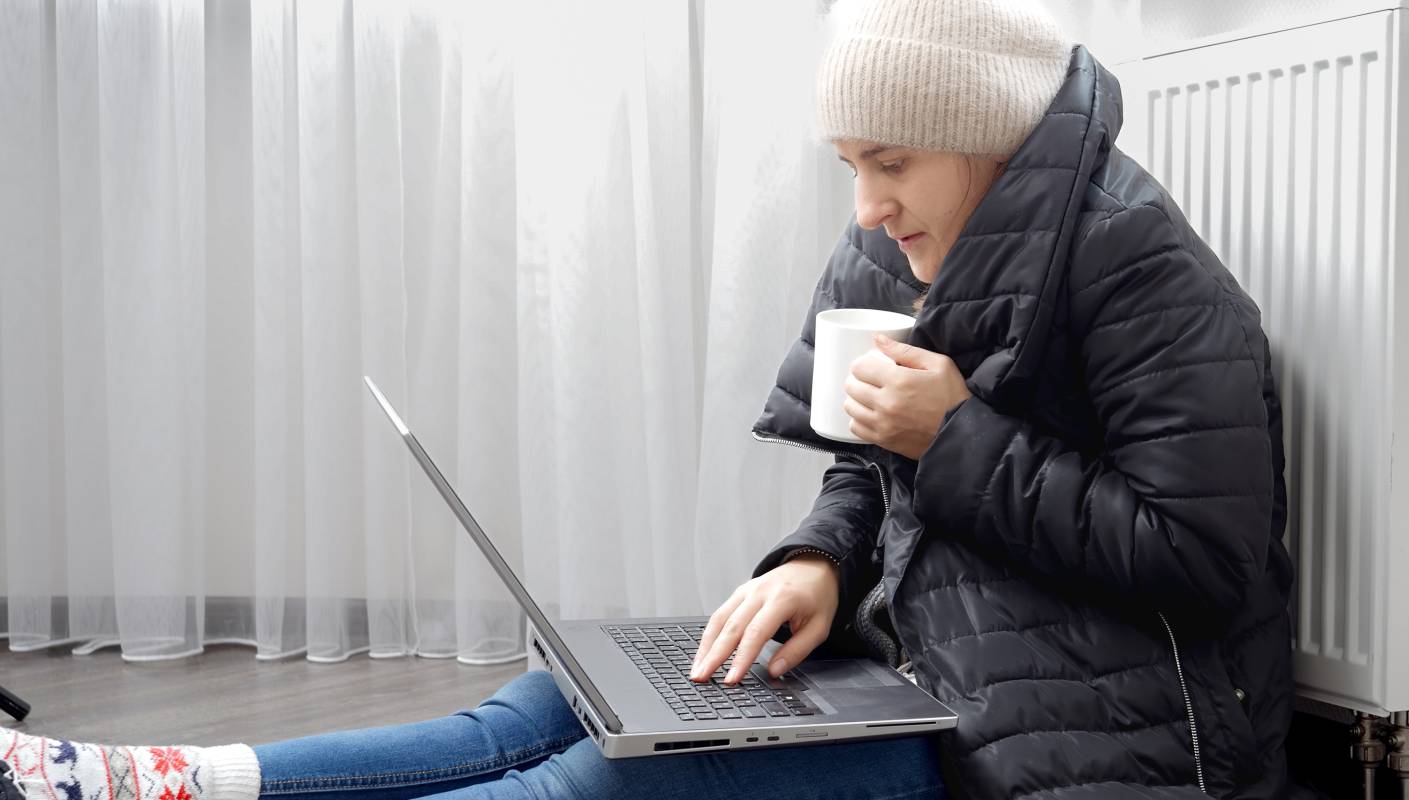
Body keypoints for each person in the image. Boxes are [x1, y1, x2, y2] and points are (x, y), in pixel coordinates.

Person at [3, 0, 1306, 797]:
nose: (864, 204)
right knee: (534, 706)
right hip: (910, 650)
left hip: (1092, 724)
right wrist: (815, 560)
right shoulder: (898, 238)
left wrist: (955, 438)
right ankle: (115, 778)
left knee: (592, 781)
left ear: (992, 139)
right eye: (849, 165)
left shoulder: (1143, 266)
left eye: (891, 164)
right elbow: (869, 464)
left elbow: (1200, 558)